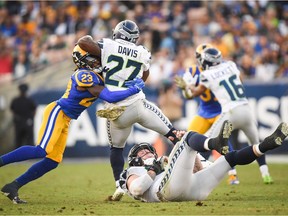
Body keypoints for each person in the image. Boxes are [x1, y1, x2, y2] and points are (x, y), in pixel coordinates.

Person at [0, 44, 145, 204]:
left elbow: (113, 90)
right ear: (83, 60)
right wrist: (133, 90)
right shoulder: (83, 74)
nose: (97, 60)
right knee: (42, 149)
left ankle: (13, 186)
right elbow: (108, 96)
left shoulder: (98, 75)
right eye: (92, 57)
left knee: (52, 161)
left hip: (67, 118)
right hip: (58, 111)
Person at [77, 20, 180, 201]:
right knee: (173, 133)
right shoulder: (142, 52)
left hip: (116, 111)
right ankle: (197, 158)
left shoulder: (108, 45)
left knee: (116, 149)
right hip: (137, 105)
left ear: (117, 33)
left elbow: (83, 42)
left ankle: (119, 185)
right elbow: (145, 75)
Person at [119, 121, 288, 202]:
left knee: (229, 159)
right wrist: (153, 170)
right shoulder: (132, 172)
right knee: (188, 136)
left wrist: (189, 155)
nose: (146, 152)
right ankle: (215, 143)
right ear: (134, 160)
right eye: (141, 152)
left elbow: (200, 170)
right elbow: (138, 188)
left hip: (194, 191)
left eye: (148, 150)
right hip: (164, 191)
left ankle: (265, 145)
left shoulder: (164, 161)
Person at [187, 47, 273, 184]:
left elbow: (197, 92)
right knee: (257, 145)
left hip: (230, 112)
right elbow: (240, 81)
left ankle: (197, 176)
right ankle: (265, 174)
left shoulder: (207, 74)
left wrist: (190, 86)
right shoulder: (231, 65)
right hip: (246, 109)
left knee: (210, 141)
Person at [174, 43, 239, 185]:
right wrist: (185, 89)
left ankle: (232, 173)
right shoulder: (192, 71)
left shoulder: (222, 69)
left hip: (220, 111)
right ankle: (186, 172)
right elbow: (189, 96)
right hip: (204, 112)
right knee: (187, 138)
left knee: (224, 140)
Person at [10, 83, 36, 148]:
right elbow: (34, 109)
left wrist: (17, 118)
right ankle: (29, 155)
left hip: (18, 122)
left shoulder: (15, 100)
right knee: (29, 141)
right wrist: (31, 118)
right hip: (28, 122)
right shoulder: (29, 100)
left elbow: (12, 109)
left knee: (18, 141)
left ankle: (17, 156)